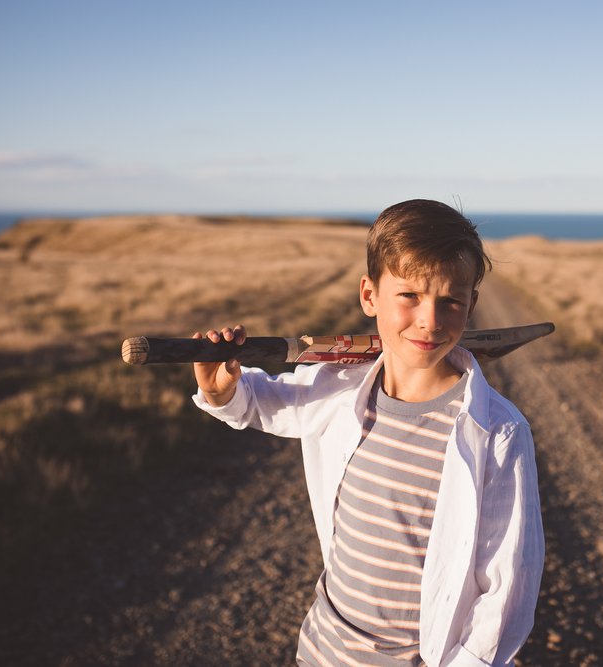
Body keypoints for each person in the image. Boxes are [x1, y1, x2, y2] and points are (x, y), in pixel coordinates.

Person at [191, 199, 544, 666]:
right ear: (369, 295)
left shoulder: (495, 432)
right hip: (321, 649)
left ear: (471, 305)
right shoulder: (340, 389)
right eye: (410, 296)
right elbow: (262, 403)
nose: (430, 320)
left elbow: (507, 586)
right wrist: (223, 393)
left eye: (450, 301)